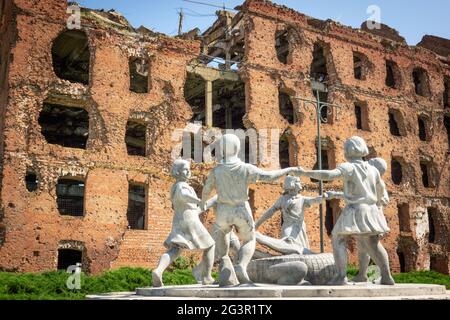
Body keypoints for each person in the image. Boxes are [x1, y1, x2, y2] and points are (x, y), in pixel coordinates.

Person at [201, 134, 302, 284]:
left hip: (223, 211)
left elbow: (206, 189)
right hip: (241, 209)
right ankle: (241, 265)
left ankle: (225, 269)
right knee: (249, 239)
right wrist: (289, 169)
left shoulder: (216, 171)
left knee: (222, 240)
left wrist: (203, 203)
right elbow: (270, 176)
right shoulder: (245, 168)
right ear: (237, 148)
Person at [299, 137, 395, 285]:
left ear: (349, 150)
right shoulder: (373, 170)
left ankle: (341, 276)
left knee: (338, 239)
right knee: (374, 244)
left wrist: (306, 173)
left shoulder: (349, 167)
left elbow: (329, 175)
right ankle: (387, 276)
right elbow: (380, 190)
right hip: (371, 210)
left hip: (355, 210)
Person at [152, 159, 216, 287]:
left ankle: (158, 271)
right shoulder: (182, 185)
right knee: (210, 245)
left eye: (189, 169)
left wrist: (211, 201)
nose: (189, 172)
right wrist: (198, 200)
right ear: (177, 172)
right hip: (190, 220)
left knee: (175, 249)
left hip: (179, 220)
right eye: (186, 169)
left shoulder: (174, 187)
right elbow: (184, 195)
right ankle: (207, 277)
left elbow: (193, 207)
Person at [326, 157, 390, 283]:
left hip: (369, 217)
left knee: (370, 245)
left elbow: (382, 199)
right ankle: (363, 274)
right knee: (363, 248)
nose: (367, 164)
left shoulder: (375, 180)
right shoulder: (374, 180)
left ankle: (385, 275)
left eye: (370, 163)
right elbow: (357, 195)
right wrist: (336, 194)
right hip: (371, 217)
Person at [255, 175, 324, 255]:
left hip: (299, 228)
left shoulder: (302, 199)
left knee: (301, 251)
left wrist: (322, 197)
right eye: (298, 181)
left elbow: (314, 200)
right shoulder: (283, 199)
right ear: (292, 184)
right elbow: (271, 211)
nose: (300, 183)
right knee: (287, 244)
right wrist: (257, 224)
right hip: (287, 226)